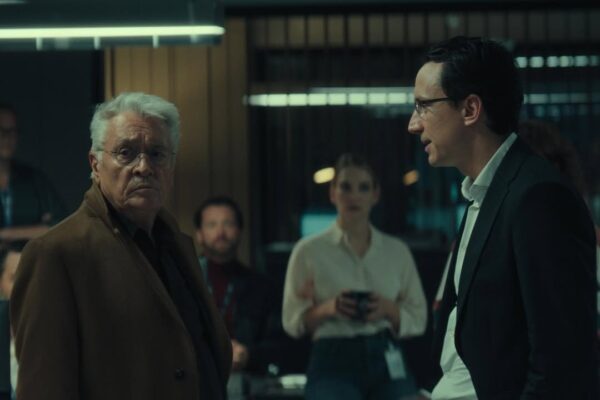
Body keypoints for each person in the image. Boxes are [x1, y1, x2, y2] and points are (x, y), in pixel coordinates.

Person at [407, 36, 597, 399]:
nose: (413, 124)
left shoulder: (538, 196)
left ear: (470, 109)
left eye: (423, 106)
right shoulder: (483, 192)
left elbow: (560, 361)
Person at [10, 92, 232, 400]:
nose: (144, 167)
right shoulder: (55, 253)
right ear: (95, 164)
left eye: (157, 154)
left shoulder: (178, 245)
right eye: (126, 153)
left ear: (171, 165)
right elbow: (43, 390)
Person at [282, 153, 427, 400]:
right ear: (333, 193)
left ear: (375, 195)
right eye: (346, 187)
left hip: (385, 350)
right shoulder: (308, 251)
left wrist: (387, 309)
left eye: (364, 188)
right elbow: (292, 321)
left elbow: (419, 317)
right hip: (333, 353)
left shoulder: (396, 251)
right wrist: (329, 308)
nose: (354, 196)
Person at [193, 196, 278, 375]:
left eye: (228, 224)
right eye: (212, 225)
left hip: (247, 377)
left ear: (239, 232)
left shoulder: (261, 286)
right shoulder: (184, 281)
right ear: (199, 235)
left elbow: (278, 343)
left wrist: (248, 354)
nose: (220, 232)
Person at [0, 103, 65, 242]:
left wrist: (6, 234)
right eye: (1, 130)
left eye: (13, 131)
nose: (7, 137)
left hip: (27, 254)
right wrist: (37, 229)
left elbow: (61, 223)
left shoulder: (34, 179)